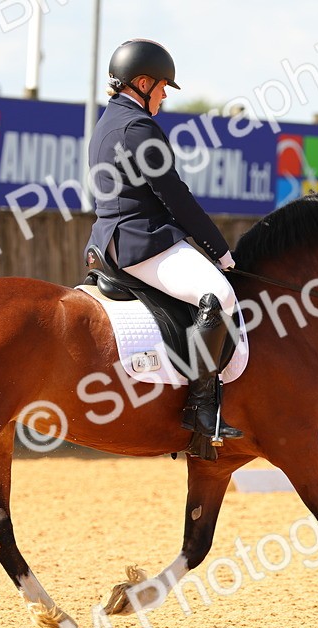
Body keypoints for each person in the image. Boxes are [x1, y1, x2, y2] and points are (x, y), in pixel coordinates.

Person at [85, 39, 242, 457]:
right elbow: (175, 195)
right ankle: (201, 408)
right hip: (141, 241)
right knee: (220, 294)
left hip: (112, 238)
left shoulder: (109, 122)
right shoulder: (138, 128)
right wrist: (220, 250)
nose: (164, 97)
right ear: (141, 83)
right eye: (161, 88)